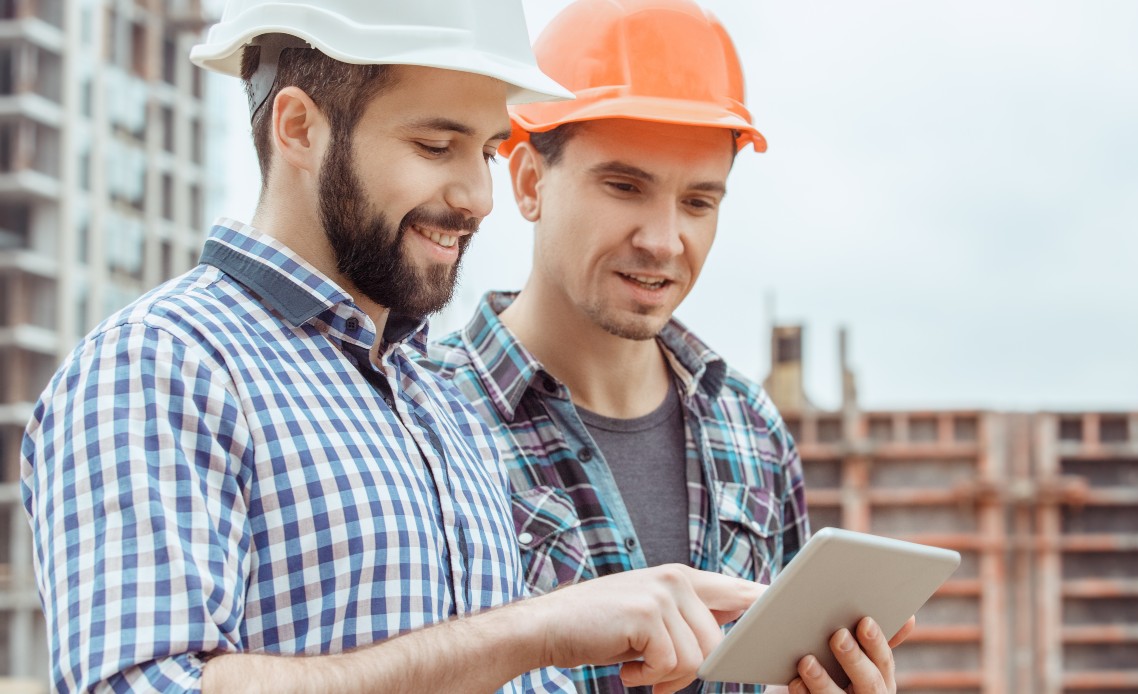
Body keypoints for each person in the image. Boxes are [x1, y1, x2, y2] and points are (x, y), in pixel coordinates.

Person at [19, 1, 768, 692]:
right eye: (436, 144)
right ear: (299, 129)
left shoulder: (432, 400)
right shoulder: (160, 368)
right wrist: (536, 629)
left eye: (485, 149)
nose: (477, 195)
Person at [429, 1, 913, 693]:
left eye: (698, 202)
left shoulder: (752, 430)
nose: (663, 240)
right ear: (530, 182)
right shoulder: (424, 420)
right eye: (625, 187)